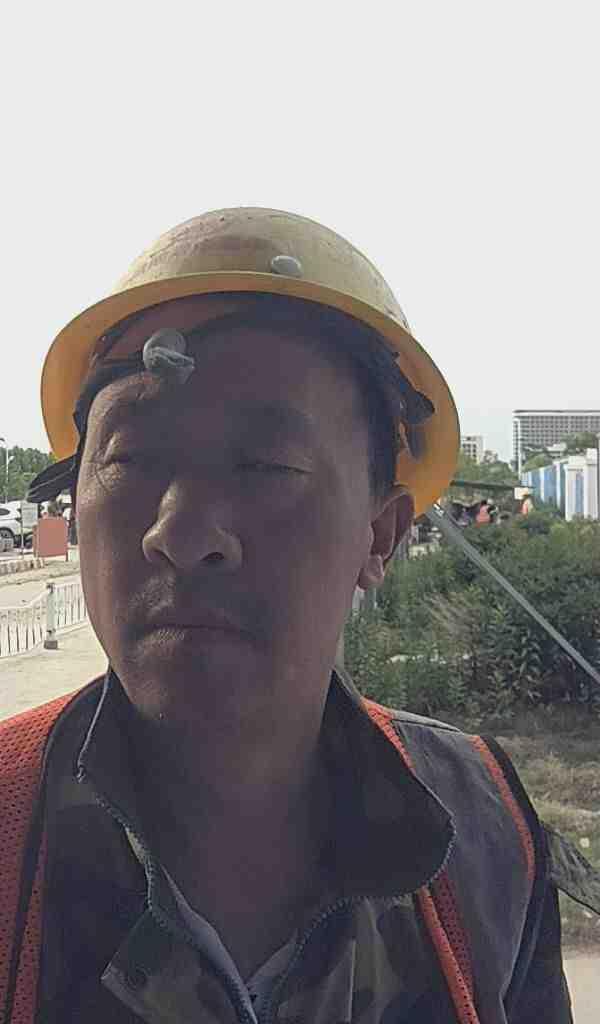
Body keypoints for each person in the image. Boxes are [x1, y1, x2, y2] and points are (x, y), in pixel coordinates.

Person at [2, 209, 593, 1024]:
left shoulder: (482, 832)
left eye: (266, 464)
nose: (181, 533)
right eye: (130, 458)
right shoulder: (11, 830)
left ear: (380, 534)